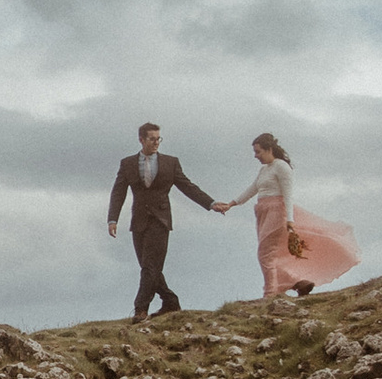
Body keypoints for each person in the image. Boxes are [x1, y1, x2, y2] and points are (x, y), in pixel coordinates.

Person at [217, 130, 358, 300]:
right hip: (262, 211)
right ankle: (299, 282)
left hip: (277, 211)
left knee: (265, 253)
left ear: (269, 149)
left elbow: (288, 195)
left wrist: (290, 220)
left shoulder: (281, 167)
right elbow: (253, 189)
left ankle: (270, 294)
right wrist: (231, 204)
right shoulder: (264, 170)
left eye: (258, 151)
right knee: (274, 253)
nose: (255, 156)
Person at [104, 121, 219, 319]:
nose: (156, 142)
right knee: (149, 267)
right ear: (141, 140)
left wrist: (211, 203)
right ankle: (171, 302)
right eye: (152, 139)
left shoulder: (170, 162)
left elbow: (187, 186)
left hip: (161, 220)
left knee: (150, 266)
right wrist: (112, 219)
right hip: (139, 221)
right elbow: (118, 193)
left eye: (159, 139)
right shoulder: (127, 163)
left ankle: (140, 309)